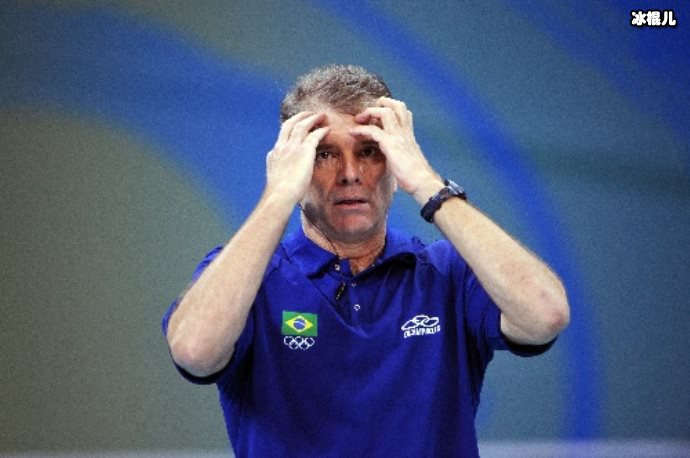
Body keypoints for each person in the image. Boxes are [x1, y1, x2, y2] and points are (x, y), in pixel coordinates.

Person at [162, 64, 570, 457]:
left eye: (371, 151)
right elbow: (194, 351)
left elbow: (545, 314)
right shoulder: (247, 280)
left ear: (396, 162)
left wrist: (427, 183)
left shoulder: (450, 273)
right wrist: (278, 195)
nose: (350, 173)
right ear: (291, 163)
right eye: (324, 154)